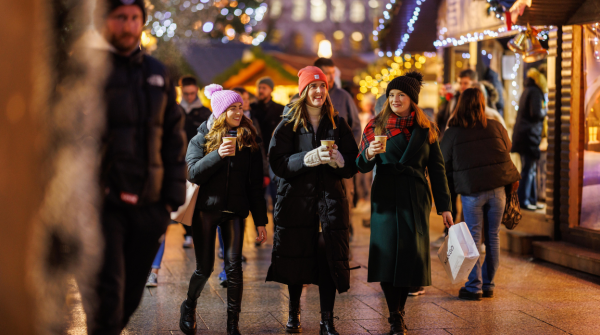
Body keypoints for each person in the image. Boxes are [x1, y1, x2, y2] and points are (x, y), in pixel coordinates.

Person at [82, 1, 187, 334]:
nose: (128, 27)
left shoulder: (157, 72)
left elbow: (173, 138)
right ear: (104, 21)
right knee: (108, 296)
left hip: (149, 205)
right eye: (120, 18)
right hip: (103, 206)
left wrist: (169, 201)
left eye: (134, 19)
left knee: (129, 299)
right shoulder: (86, 71)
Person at [356, 72, 454, 335]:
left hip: (414, 197)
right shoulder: (375, 126)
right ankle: (395, 315)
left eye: (401, 95)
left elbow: (437, 170)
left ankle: (399, 311)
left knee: (408, 256)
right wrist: (368, 153)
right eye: (391, 95)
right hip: (386, 197)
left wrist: (445, 207)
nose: (395, 99)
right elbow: (361, 165)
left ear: (412, 99)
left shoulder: (426, 129)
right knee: (388, 256)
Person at [267, 66, 358, 335]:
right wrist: (308, 159)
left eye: (322, 87)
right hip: (297, 203)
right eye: (313, 87)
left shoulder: (337, 123)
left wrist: (339, 161)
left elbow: (352, 165)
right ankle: (294, 313)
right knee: (297, 256)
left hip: (330, 204)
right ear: (304, 90)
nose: (318, 92)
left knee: (328, 259)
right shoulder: (288, 123)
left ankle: (327, 319)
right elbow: (277, 163)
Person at [179, 85, 268, 335]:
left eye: (240, 107)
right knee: (204, 268)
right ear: (220, 112)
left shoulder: (249, 140)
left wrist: (261, 221)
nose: (239, 112)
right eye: (233, 108)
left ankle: (232, 327)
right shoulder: (201, 139)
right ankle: (189, 305)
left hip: (235, 211)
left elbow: (255, 186)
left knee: (234, 267)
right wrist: (217, 154)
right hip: (205, 210)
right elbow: (193, 173)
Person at [441, 88, 520, 300]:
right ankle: (489, 283)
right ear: (482, 104)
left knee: (474, 237)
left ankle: (474, 287)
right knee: (493, 236)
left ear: (460, 105)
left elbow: (442, 159)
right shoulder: (495, 126)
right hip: (497, 191)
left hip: (472, 193)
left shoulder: (453, 132)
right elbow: (508, 146)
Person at [179, 75, 212, 248]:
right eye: (186, 94)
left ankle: (200, 232)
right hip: (181, 161)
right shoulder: (176, 110)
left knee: (200, 197)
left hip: (201, 159)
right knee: (186, 198)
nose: (190, 97)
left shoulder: (206, 112)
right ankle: (188, 234)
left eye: (192, 93)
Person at [512, 67, 548, 211]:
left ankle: (531, 200)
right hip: (529, 136)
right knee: (529, 169)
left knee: (530, 169)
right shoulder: (535, 92)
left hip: (524, 136)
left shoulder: (527, 90)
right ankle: (524, 201)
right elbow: (536, 113)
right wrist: (546, 110)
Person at [250, 77, 285, 213]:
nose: (261, 91)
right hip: (258, 157)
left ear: (271, 90)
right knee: (258, 200)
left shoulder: (279, 109)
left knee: (277, 197)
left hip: (275, 157)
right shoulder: (252, 110)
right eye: (259, 87)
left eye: (264, 88)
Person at [437, 69, 477, 140]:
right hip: (452, 139)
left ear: (474, 83)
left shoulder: (479, 100)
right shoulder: (454, 98)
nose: (462, 86)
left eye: (465, 83)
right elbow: (443, 117)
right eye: (460, 83)